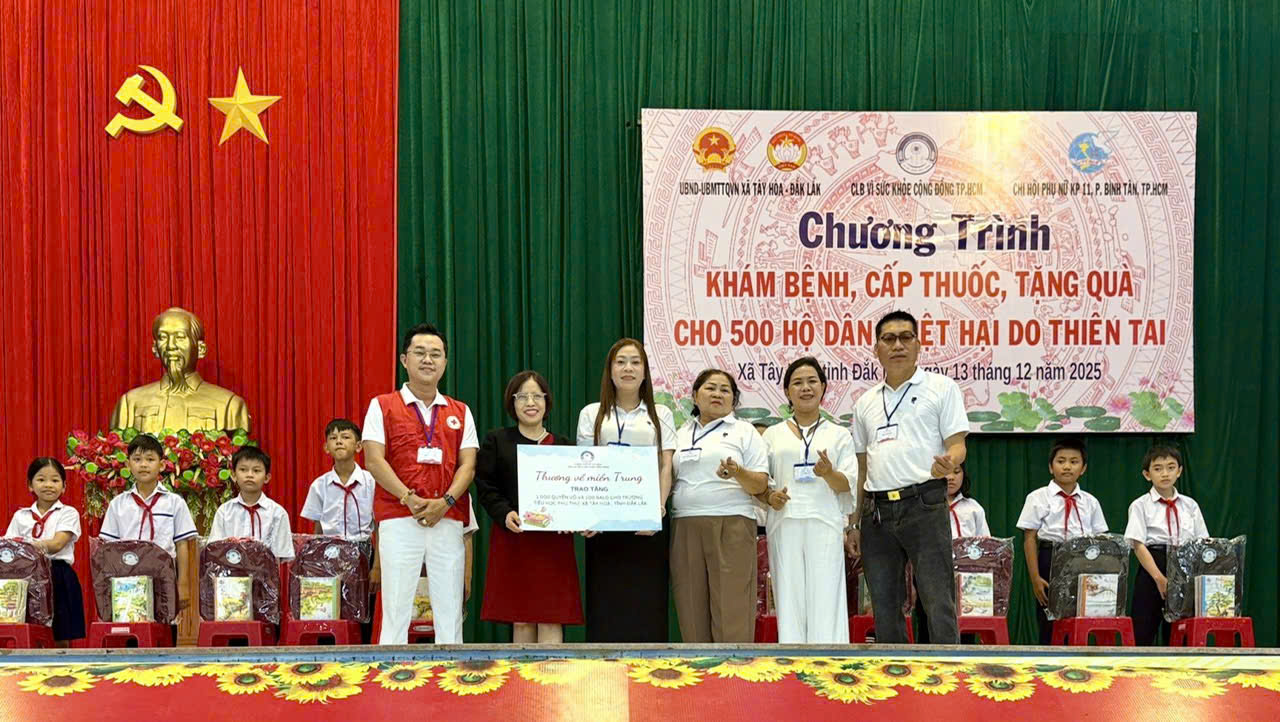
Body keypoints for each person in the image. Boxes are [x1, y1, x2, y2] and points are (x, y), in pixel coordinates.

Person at [848, 310, 968, 644]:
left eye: (905, 337)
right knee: (884, 604)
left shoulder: (941, 388)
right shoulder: (865, 402)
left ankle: (948, 668)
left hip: (924, 503)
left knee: (937, 599)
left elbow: (958, 445)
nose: (897, 345)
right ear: (876, 349)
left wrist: (949, 463)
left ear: (918, 345)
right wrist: (854, 522)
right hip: (876, 511)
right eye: (889, 339)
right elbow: (862, 467)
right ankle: (894, 670)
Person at [363, 323, 478, 645]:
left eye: (436, 354)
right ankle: (392, 671)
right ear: (404, 359)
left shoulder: (460, 411)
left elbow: (468, 465)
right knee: (396, 607)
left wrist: (446, 502)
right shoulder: (382, 405)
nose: (428, 360)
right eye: (420, 353)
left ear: (445, 362)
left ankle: (450, 671)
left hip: (447, 518)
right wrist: (408, 498)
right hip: (399, 516)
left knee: (449, 608)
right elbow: (374, 460)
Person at [575, 338, 675, 642]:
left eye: (635, 362)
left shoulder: (661, 414)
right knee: (606, 602)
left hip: (647, 522)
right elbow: (585, 466)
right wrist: (589, 515)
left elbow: (665, 466)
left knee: (646, 603)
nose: (628, 368)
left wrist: (657, 511)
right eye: (620, 362)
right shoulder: (592, 413)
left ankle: (649, 669)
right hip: (603, 523)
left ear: (645, 371)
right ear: (610, 370)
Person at [475, 370, 583, 642]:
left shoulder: (563, 446)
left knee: (551, 618)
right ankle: (521, 673)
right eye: (522, 397)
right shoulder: (497, 441)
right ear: (512, 403)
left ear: (547, 401)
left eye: (537, 396)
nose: (530, 403)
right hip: (515, 539)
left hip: (553, 545)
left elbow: (575, 493)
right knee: (521, 620)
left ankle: (551, 671)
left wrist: (571, 517)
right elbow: (486, 487)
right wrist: (505, 513)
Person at [670, 368, 770, 643]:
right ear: (694, 395)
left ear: (734, 400)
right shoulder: (680, 433)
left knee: (732, 609)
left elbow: (760, 485)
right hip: (685, 524)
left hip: (732, 524)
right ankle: (699, 668)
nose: (717, 394)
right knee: (691, 608)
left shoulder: (745, 432)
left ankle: (733, 668)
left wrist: (738, 472)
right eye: (710, 388)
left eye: (725, 390)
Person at [761, 357, 855, 643]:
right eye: (797, 383)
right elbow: (763, 483)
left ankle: (828, 661)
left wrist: (828, 473)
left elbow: (847, 484)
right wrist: (771, 497)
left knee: (826, 598)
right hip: (784, 522)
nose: (805, 388)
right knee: (788, 598)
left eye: (812, 381)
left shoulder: (839, 434)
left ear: (823, 387)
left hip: (824, 521)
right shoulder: (772, 435)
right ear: (787, 391)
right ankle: (793, 662)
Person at [1016, 437, 1108, 644]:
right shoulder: (1037, 497)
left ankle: (1080, 660)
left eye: (1074, 462)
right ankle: (1049, 662)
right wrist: (1035, 578)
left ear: (1083, 468)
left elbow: (1101, 541)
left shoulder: (1091, 502)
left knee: (1080, 619)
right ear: (1051, 467)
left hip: (1084, 561)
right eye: (1061, 461)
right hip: (1050, 558)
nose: (1067, 466)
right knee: (1049, 622)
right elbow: (1029, 538)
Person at [110, 307, 251, 433]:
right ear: (155, 349)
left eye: (180, 337)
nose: (171, 346)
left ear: (200, 349)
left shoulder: (229, 405)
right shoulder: (130, 404)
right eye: (163, 337)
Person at [100, 434, 198, 613]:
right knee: (131, 620)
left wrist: (183, 584)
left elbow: (182, 545)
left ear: (162, 465)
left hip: (164, 577)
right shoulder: (118, 504)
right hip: (127, 578)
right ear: (128, 465)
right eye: (137, 459)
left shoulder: (174, 502)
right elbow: (109, 548)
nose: (143, 464)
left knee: (165, 623)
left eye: (150, 459)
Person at [1124, 445, 1208, 645]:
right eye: (1158, 468)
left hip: (1184, 566)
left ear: (1179, 471)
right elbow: (1138, 544)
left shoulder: (1190, 505)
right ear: (1147, 474)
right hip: (1153, 566)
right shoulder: (1140, 505)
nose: (1165, 473)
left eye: (1171, 467)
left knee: (1181, 631)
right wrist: (1159, 578)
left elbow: (1202, 542)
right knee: (1143, 629)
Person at [5, 458, 84, 645]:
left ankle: (62, 663)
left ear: (64, 486)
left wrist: (26, 546)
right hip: (25, 577)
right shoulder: (20, 516)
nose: (48, 485)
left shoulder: (68, 513)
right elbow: (9, 548)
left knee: (60, 634)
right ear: (30, 485)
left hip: (57, 574)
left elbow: (57, 544)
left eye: (55, 480)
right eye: (41, 479)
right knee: (27, 630)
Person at [915, 461, 988, 642]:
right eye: (945, 472)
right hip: (930, 571)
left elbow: (985, 544)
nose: (950, 477)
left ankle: (965, 656)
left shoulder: (973, 508)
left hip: (967, 576)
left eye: (956, 472)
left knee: (967, 623)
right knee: (929, 617)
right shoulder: (922, 508)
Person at [208, 447, 295, 560]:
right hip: (230, 570)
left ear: (267, 477)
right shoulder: (224, 511)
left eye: (256, 471)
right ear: (233, 475)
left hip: (266, 570)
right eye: (243, 470)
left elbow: (280, 555)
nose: (249, 475)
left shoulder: (277, 513)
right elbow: (215, 549)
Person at [301, 419, 376, 540]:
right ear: (326, 447)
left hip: (363, 547)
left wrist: (377, 553)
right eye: (333, 438)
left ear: (358, 446)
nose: (339, 441)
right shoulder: (319, 486)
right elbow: (318, 529)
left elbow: (378, 525)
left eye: (345, 437)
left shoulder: (371, 482)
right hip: (330, 548)